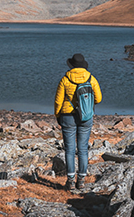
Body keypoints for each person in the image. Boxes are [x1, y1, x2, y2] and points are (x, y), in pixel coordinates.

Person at [54, 53, 102, 190]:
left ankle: (70, 181)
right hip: (86, 117)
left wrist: (58, 116)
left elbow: (58, 101)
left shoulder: (65, 79)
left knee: (69, 149)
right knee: (83, 149)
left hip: (67, 116)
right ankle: (81, 180)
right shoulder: (91, 78)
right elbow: (98, 99)